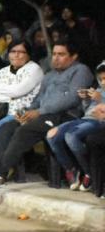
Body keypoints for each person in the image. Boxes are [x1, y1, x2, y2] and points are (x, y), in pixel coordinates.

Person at [0, 40, 94, 187]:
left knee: (24, 130)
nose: (56, 58)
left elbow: (72, 99)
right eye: (54, 54)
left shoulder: (80, 71)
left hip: (66, 116)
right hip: (44, 115)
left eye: (61, 54)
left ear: (73, 57)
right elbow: (38, 99)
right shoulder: (50, 75)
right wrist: (26, 113)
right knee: (8, 127)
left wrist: (39, 111)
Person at [45, 60, 105, 190]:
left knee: (70, 136)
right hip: (85, 119)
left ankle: (88, 172)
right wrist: (85, 99)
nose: (103, 82)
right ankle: (71, 168)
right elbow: (87, 110)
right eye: (101, 79)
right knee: (51, 135)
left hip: (99, 122)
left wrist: (101, 99)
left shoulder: (100, 94)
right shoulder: (98, 90)